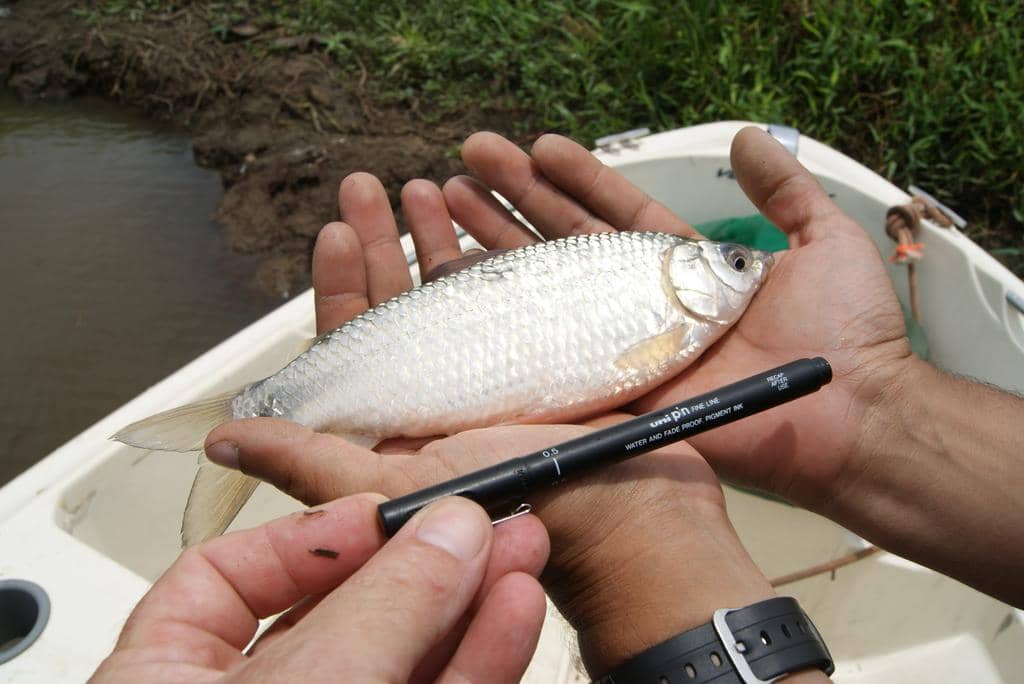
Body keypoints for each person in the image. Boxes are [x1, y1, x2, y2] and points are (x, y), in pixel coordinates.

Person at [92, 127, 1024, 682]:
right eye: (740, 264)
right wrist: (876, 419)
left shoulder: (674, 307)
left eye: (745, 262)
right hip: (417, 357)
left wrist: (874, 412)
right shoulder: (672, 294)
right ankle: (261, 404)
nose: (754, 269)